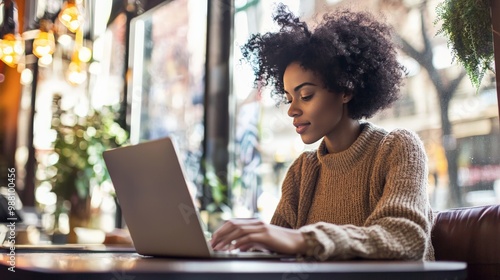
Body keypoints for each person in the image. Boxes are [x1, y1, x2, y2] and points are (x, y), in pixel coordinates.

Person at [210, 3, 435, 261]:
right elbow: (277, 250)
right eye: (288, 98)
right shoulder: (302, 172)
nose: (292, 110)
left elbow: (405, 237)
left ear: (346, 90)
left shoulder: (398, 148)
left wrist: (303, 239)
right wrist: (234, 245)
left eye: (305, 95)